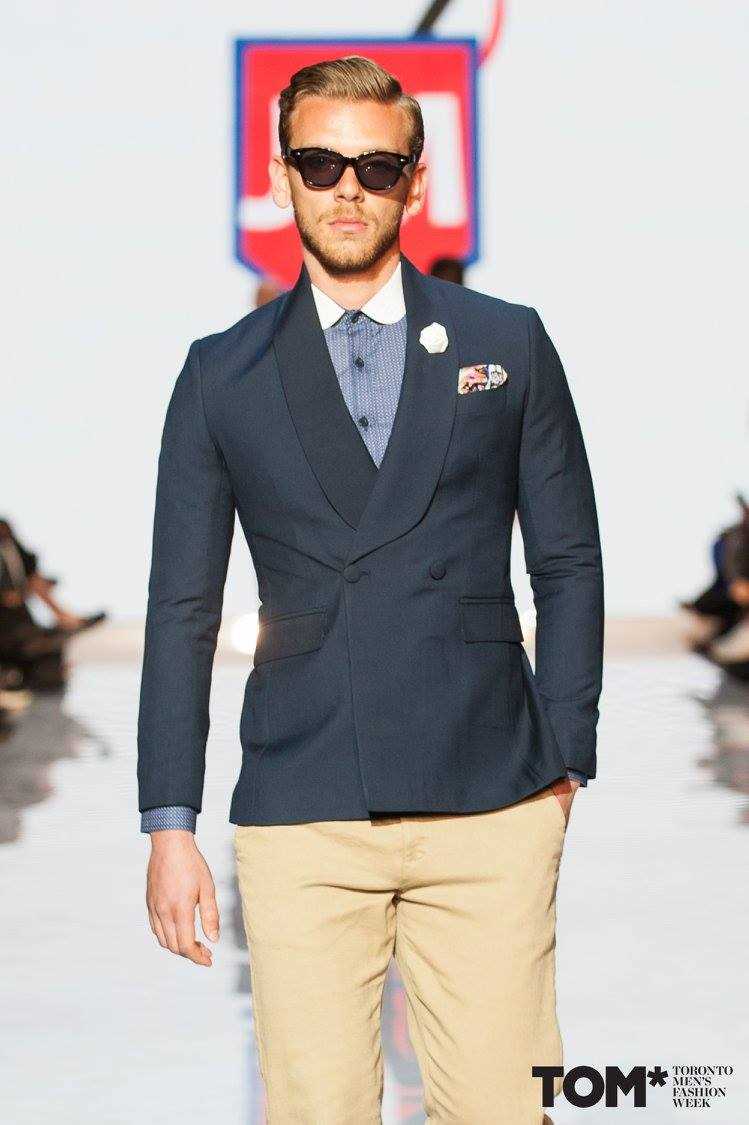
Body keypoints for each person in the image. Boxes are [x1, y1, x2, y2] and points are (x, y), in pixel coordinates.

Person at [137, 55, 604, 1123]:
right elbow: (181, 607)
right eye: (320, 163)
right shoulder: (221, 372)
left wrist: (565, 755)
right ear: (282, 177)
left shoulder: (505, 341)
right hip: (304, 803)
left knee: (504, 1108)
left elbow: (567, 560)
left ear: (415, 182)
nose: (347, 188)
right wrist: (169, 822)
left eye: (376, 166)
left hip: (492, 796)